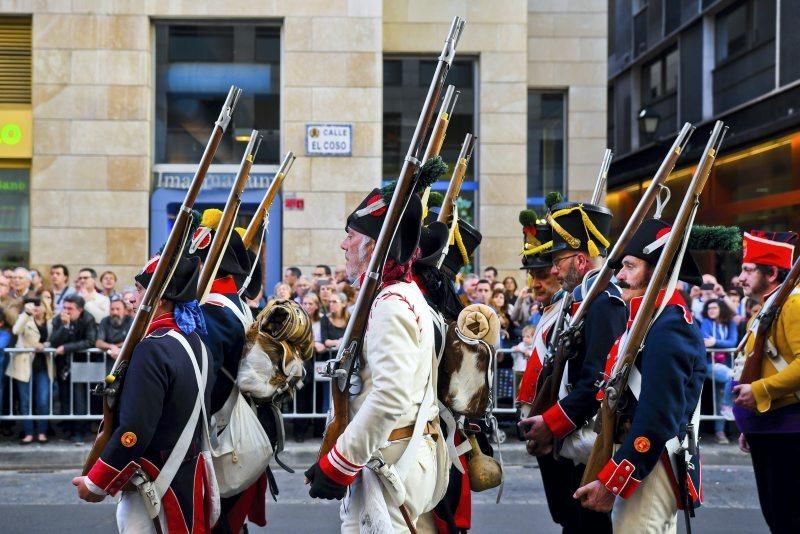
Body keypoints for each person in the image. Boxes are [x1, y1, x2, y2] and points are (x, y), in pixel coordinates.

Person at [304, 182, 443, 532]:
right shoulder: (402, 294)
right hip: (393, 453)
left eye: (351, 234)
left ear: (372, 245)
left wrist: (339, 463)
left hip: (390, 459)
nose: (344, 244)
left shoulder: (389, 304)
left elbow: (389, 396)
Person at [574, 217, 706, 532]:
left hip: (651, 463)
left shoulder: (668, 326)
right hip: (641, 459)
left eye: (630, 266)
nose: (620, 275)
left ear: (658, 269)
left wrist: (615, 481)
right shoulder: (649, 323)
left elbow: (658, 418)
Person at [73, 252, 217, 533]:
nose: (132, 299)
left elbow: (135, 429)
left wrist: (96, 482)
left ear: (160, 298)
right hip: (187, 475)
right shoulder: (197, 342)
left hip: (154, 480)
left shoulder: (152, 347)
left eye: (139, 290)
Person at [520, 199, 626, 534]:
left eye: (557, 261)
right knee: (572, 522)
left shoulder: (604, 303)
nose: (552, 271)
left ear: (580, 260)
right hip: (569, 436)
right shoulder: (577, 302)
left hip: (584, 435)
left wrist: (551, 424)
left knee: (588, 525)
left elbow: (598, 380)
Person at [188, 210, 267, 533]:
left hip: (219, 435)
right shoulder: (231, 302)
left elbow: (204, 386)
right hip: (233, 427)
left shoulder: (212, 311)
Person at [732, 230, 800, 533]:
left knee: (788, 519)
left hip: (790, 431)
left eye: (748, 269)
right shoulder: (766, 308)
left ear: (772, 273)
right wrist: (751, 423)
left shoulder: (793, 304)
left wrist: (759, 391)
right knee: (777, 518)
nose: (740, 277)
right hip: (769, 428)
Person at [50, 294, 97, 442]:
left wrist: (67, 347)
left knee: (80, 398)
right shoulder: (59, 319)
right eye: (64, 307)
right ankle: (68, 429)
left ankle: (79, 431)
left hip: (82, 363)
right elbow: (54, 342)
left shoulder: (88, 318)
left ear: (80, 309)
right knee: (65, 396)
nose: (66, 311)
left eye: (70, 308)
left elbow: (90, 341)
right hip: (63, 364)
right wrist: (65, 326)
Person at [9, 294, 54, 444]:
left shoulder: (51, 321)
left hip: (43, 365)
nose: (36, 308)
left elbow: (54, 340)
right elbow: (16, 330)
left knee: (43, 400)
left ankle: (42, 431)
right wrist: (26, 314)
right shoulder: (25, 318)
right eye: (33, 306)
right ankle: (28, 432)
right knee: (25, 401)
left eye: (38, 305)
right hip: (24, 364)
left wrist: (44, 346)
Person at [700, 298, 737, 442]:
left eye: (714, 307)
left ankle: (720, 432)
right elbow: (705, 341)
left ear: (721, 308)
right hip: (710, 364)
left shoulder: (731, 323)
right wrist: (718, 343)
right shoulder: (706, 323)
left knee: (720, 396)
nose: (711, 311)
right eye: (709, 308)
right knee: (730, 377)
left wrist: (715, 342)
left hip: (727, 364)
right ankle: (727, 406)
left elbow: (733, 342)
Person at [96, 295, 134, 359]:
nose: (115, 312)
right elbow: (99, 343)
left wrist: (115, 347)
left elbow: (132, 341)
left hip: (126, 357)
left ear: (125, 310)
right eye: (112, 309)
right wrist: (111, 346)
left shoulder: (130, 320)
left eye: (118, 309)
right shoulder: (105, 321)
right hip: (108, 359)